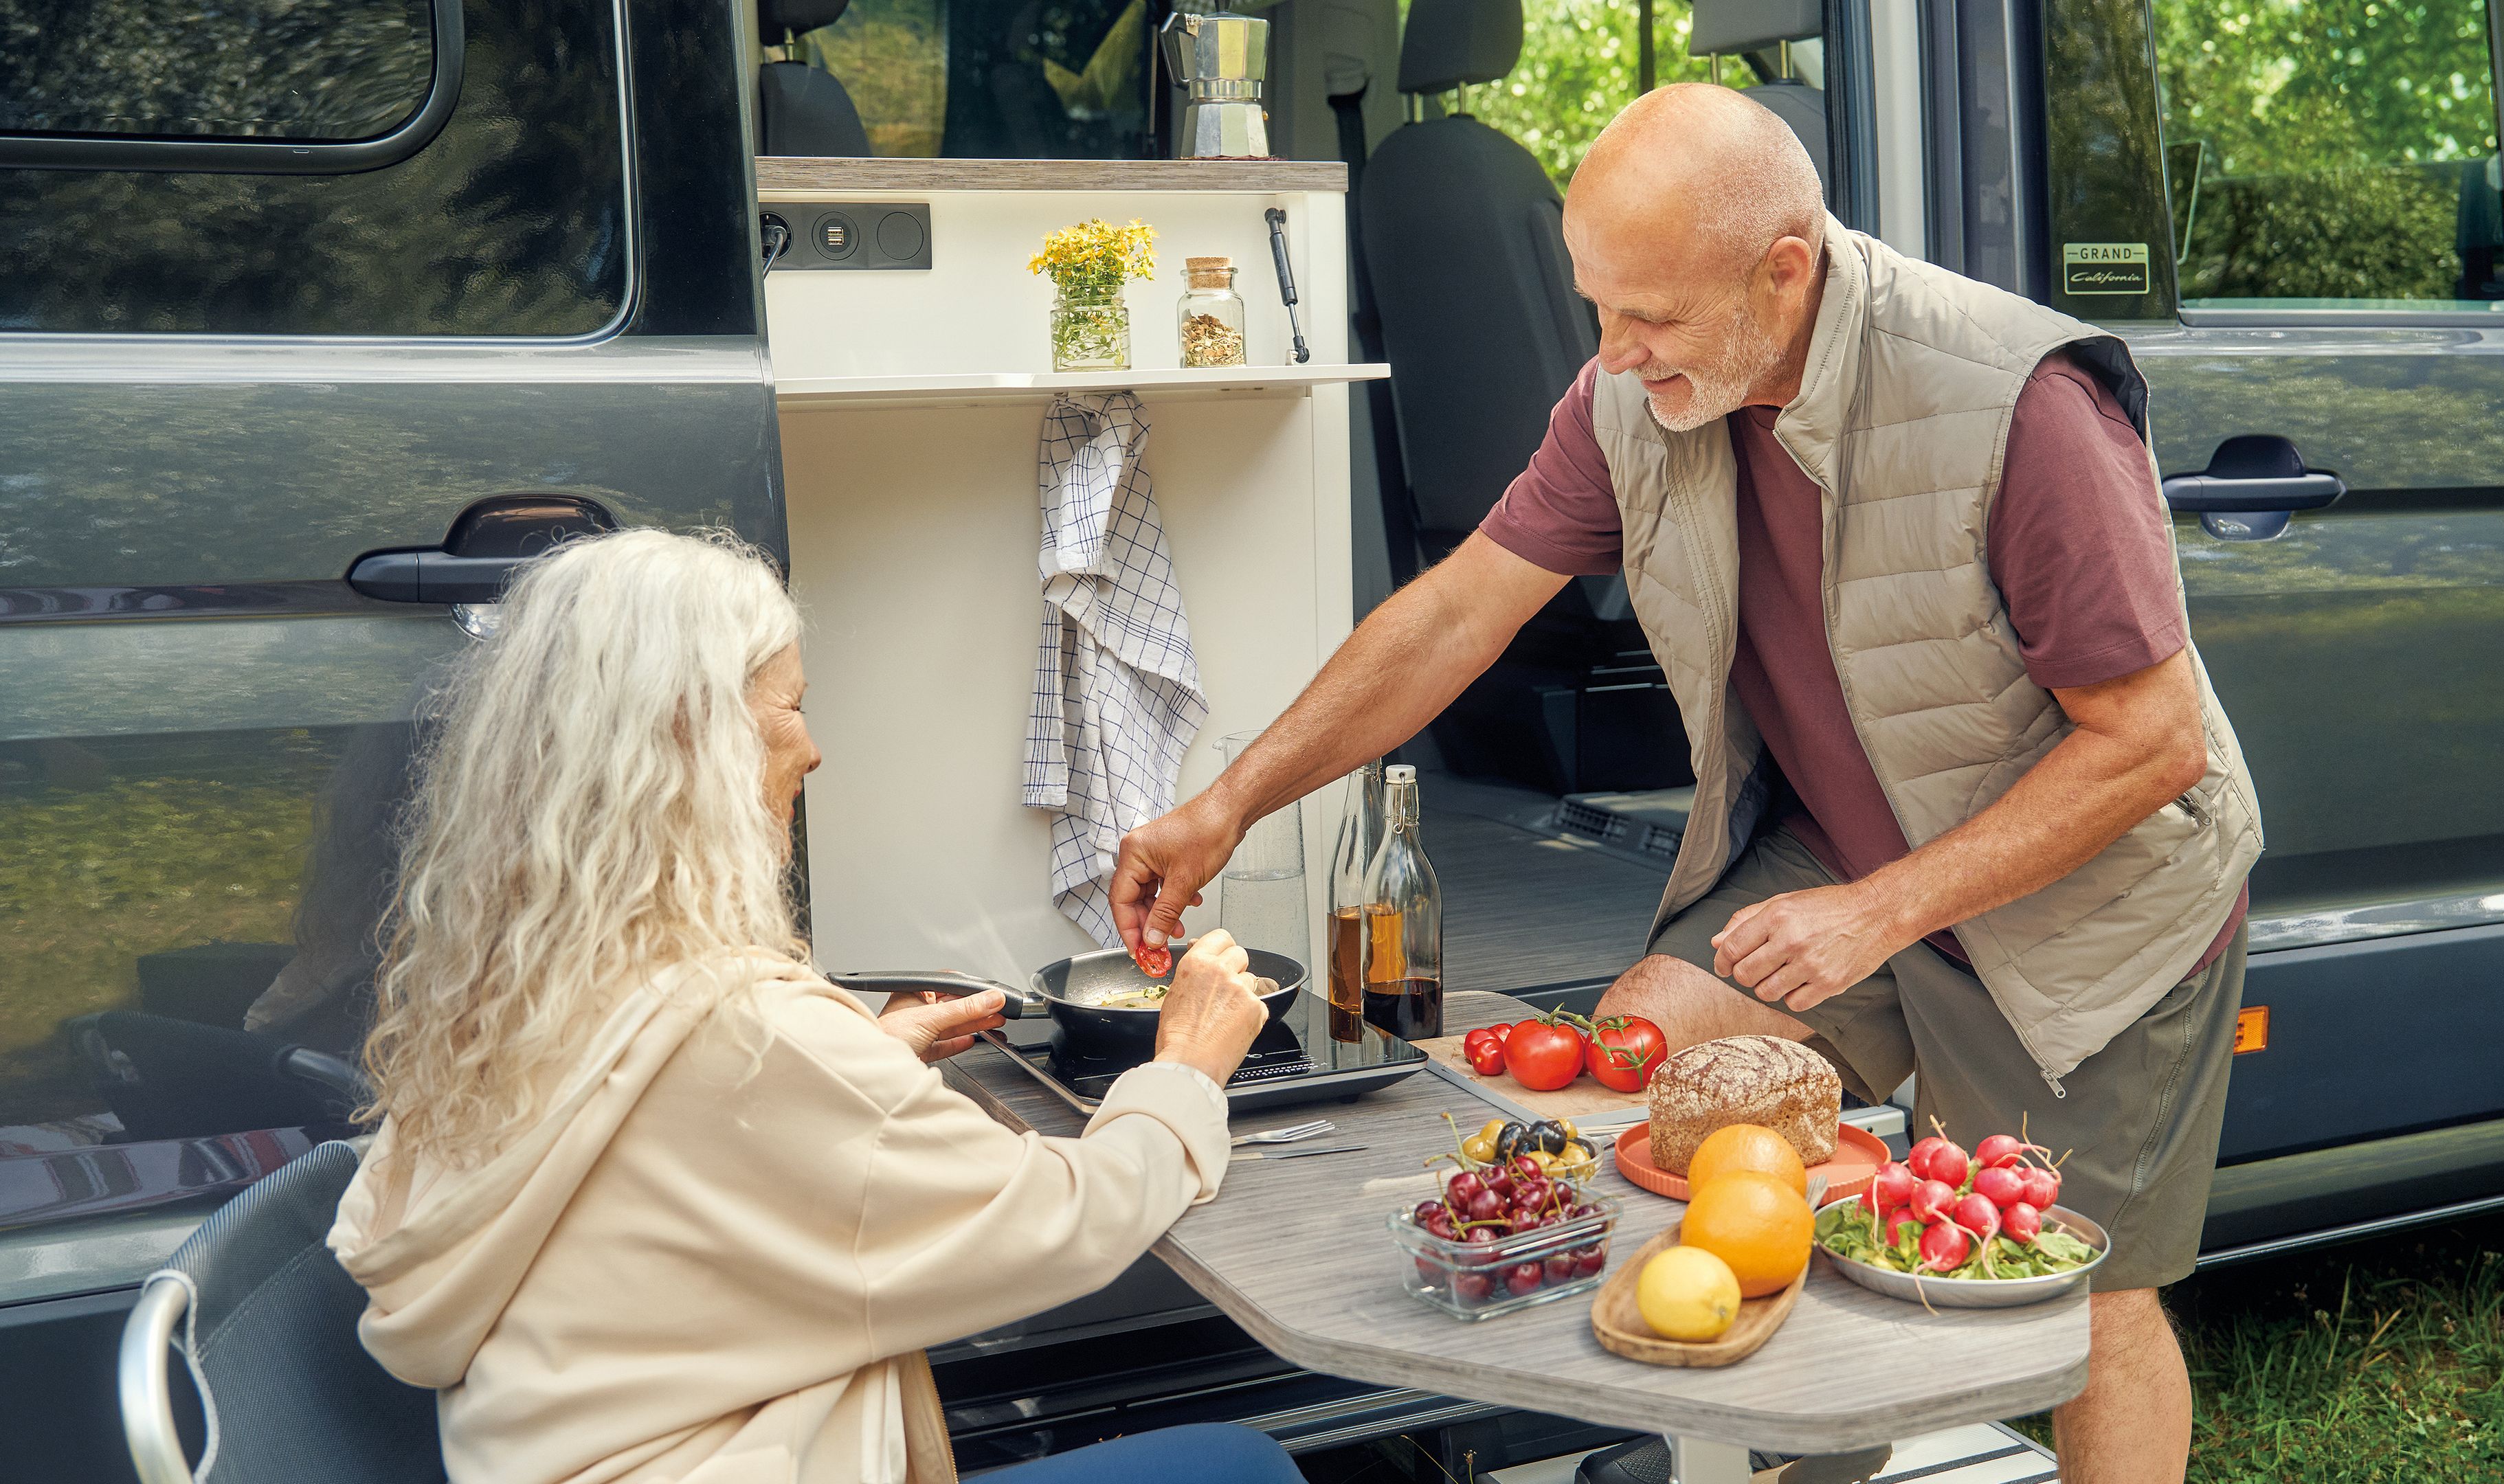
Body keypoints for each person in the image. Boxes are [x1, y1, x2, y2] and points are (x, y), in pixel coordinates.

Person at [1110, 85, 2259, 1482]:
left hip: (2088, 894)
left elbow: (2151, 745)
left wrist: (1883, 911)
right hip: (1851, 853)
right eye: (1596, 305)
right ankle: (1795, 1452)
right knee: (1651, 1064)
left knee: (2079, 1290)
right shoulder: (1635, 398)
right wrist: (1231, 800)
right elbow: (1456, 614)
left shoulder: (2020, 404)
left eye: (1645, 314)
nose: (1610, 351)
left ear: (1787, 269)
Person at [328, 528, 1295, 1484]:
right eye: (790, 704)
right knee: (1242, 1466)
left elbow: (677, 1189)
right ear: (687, 737)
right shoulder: (751, 1038)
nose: (813, 749)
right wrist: (1186, 1067)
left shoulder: (523, 990)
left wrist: (863, 1063)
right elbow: (1069, 1221)